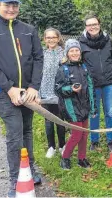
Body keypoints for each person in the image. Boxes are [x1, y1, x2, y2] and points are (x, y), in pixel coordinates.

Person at [0, 0, 43, 197]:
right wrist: (9, 88)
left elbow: (38, 58)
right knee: (15, 134)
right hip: (4, 92)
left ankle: (31, 170)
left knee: (27, 131)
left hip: (28, 92)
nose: (11, 8)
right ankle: (15, 179)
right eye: (6, 4)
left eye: (14, 4)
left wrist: (34, 87)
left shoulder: (28, 29)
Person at [79, 13, 112, 151]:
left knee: (109, 112)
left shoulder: (108, 40)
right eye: (89, 25)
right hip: (92, 84)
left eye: (95, 24)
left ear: (99, 25)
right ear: (86, 27)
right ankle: (94, 141)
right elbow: (78, 64)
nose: (92, 27)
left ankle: (110, 140)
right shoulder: (81, 43)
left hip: (110, 82)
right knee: (94, 113)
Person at [55, 39, 97, 170]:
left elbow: (90, 87)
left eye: (76, 50)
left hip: (84, 106)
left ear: (80, 52)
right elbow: (58, 89)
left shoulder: (84, 67)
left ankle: (81, 158)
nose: (74, 53)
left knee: (84, 134)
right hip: (71, 107)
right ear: (67, 53)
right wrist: (70, 89)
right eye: (71, 51)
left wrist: (92, 106)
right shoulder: (63, 69)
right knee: (77, 134)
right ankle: (65, 158)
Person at [39, 28, 66, 158]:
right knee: (48, 120)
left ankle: (62, 145)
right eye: (48, 38)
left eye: (53, 37)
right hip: (45, 92)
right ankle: (51, 147)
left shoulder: (64, 53)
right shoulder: (41, 54)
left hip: (59, 92)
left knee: (60, 119)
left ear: (58, 38)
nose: (51, 40)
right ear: (45, 39)